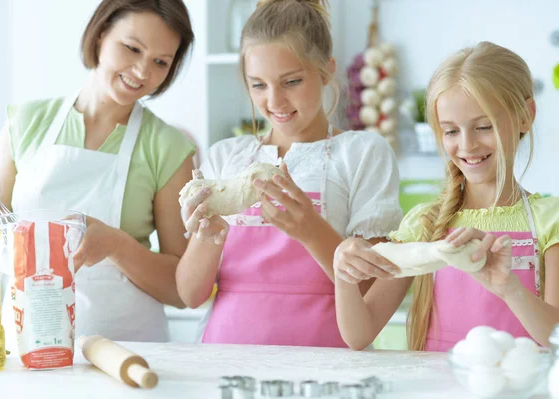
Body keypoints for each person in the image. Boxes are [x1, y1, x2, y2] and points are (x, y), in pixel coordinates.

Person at [0, 0, 195, 342]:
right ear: (99, 35)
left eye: (160, 62)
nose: (143, 72)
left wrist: (116, 245)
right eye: (132, 48)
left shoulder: (168, 147)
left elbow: (180, 289)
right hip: (28, 345)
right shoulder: (25, 123)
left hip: (127, 352)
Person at [176, 0, 402, 347]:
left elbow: (371, 291)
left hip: (328, 363)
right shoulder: (225, 157)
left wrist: (311, 231)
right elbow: (190, 295)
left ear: (326, 71)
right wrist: (209, 235)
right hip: (226, 357)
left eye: (291, 81)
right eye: (258, 85)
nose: (275, 101)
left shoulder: (363, 154)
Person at [334, 41, 559, 351]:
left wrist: (510, 289)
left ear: (524, 115)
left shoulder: (551, 221)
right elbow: (359, 334)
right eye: (451, 131)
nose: (466, 145)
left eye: (483, 126)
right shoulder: (425, 224)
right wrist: (343, 272)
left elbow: (556, 335)